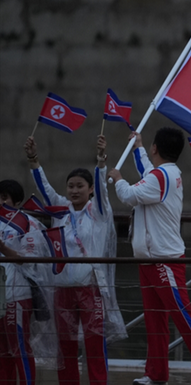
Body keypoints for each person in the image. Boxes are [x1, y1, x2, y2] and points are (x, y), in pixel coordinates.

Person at [108, 128, 191, 385]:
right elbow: (146, 171)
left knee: (184, 316)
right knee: (155, 320)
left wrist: (117, 178)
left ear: (155, 148)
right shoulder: (163, 174)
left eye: (148, 146)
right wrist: (137, 146)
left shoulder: (161, 177)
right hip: (149, 259)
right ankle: (156, 373)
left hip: (165, 260)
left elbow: (128, 195)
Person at [24, 135, 126, 385]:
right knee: (66, 347)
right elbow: (45, 188)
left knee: (94, 345)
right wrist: (34, 159)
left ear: (90, 189)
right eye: (70, 186)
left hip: (91, 288)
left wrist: (101, 162)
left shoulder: (99, 212)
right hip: (64, 289)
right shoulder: (60, 210)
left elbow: (103, 189)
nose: (74, 190)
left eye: (80, 186)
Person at [0, 179, 51, 385]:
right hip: (0, 297)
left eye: (4, 198)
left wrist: (4, 249)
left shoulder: (27, 223)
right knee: (2, 352)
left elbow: (31, 261)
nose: (0, 202)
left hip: (18, 295)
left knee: (19, 347)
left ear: (18, 202)